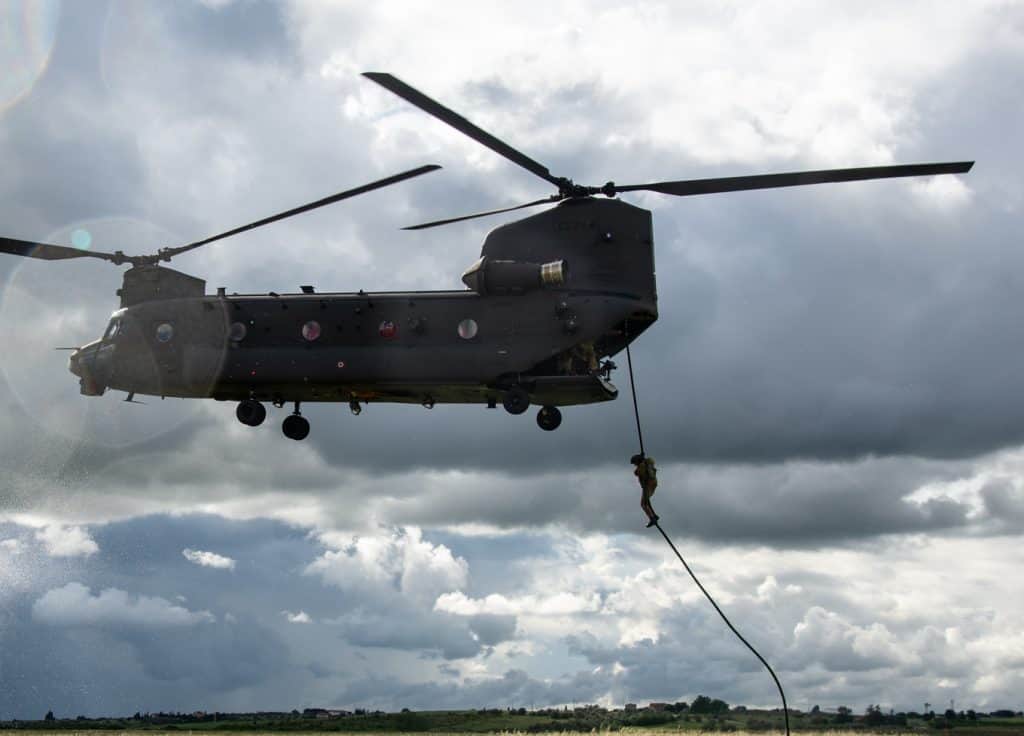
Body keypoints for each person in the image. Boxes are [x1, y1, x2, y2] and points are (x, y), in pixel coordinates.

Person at [631, 453, 659, 526]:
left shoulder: (642, 466)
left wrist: (641, 460)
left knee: (643, 504)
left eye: (635, 463)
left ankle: (652, 518)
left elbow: (636, 473)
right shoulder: (647, 462)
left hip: (648, 486)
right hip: (651, 484)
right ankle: (653, 515)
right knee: (647, 502)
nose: (635, 465)